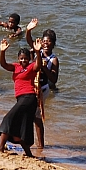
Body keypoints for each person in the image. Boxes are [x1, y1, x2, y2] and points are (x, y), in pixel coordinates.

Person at [0, 38, 43, 157]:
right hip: (21, 99)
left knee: (8, 118)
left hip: (29, 98)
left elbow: (39, 65)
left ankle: (0, 147)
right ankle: (28, 153)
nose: (23, 60)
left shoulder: (31, 67)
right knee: (23, 126)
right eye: (21, 58)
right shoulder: (16, 67)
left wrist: (38, 52)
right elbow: (3, 64)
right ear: (18, 58)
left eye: (26, 58)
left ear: (29, 59)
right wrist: (2, 52)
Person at [25, 19, 60, 148]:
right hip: (31, 86)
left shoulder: (53, 59)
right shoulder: (37, 51)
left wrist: (44, 67)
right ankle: (29, 142)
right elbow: (29, 41)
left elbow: (54, 79)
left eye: (49, 41)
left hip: (43, 88)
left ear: (53, 44)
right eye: (44, 41)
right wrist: (29, 30)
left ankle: (40, 145)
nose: (46, 43)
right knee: (31, 115)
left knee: (37, 116)